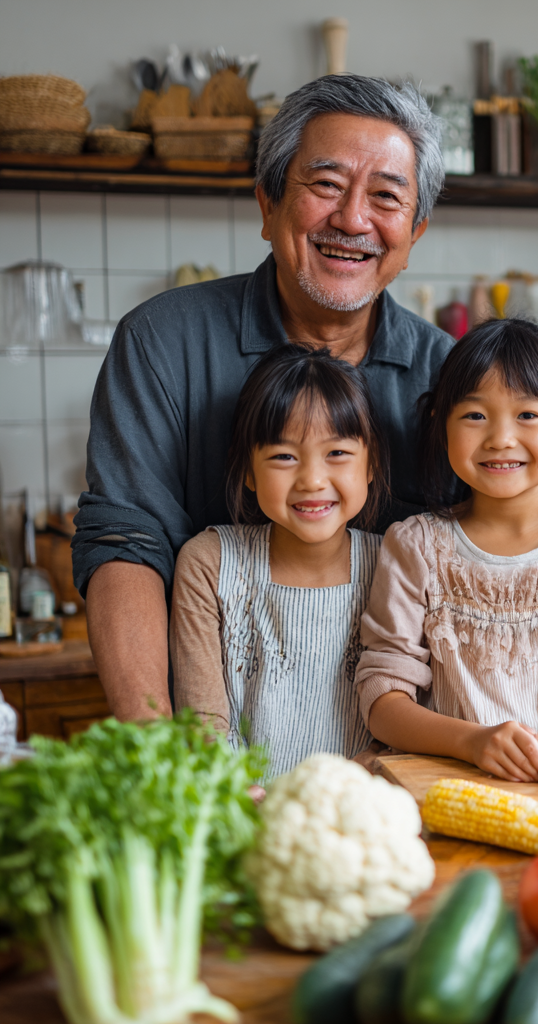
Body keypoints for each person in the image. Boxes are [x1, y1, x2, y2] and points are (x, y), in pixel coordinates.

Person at [71, 75, 454, 722]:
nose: (354, 219)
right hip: (212, 742)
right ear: (267, 205)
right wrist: (168, 763)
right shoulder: (164, 340)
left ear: (414, 233)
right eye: (326, 184)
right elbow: (124, 543)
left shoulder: (448, 378)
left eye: (386, 196)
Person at [354, 319, 538, 782]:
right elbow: (382, 699)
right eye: (475, 415)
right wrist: (472, 742)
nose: (500, 438)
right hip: (440, 792)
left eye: (528, 415)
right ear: (441, 425)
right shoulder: (414, 545)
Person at [171, 345, 385, 777]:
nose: (311, 479)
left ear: (370, 465)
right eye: (284, 456)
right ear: (248, 471)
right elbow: (203, 725)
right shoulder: (208, 563)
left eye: (337, 453)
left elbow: (406, 716)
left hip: (359, 809)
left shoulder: (397, 562)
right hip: (237, 813)